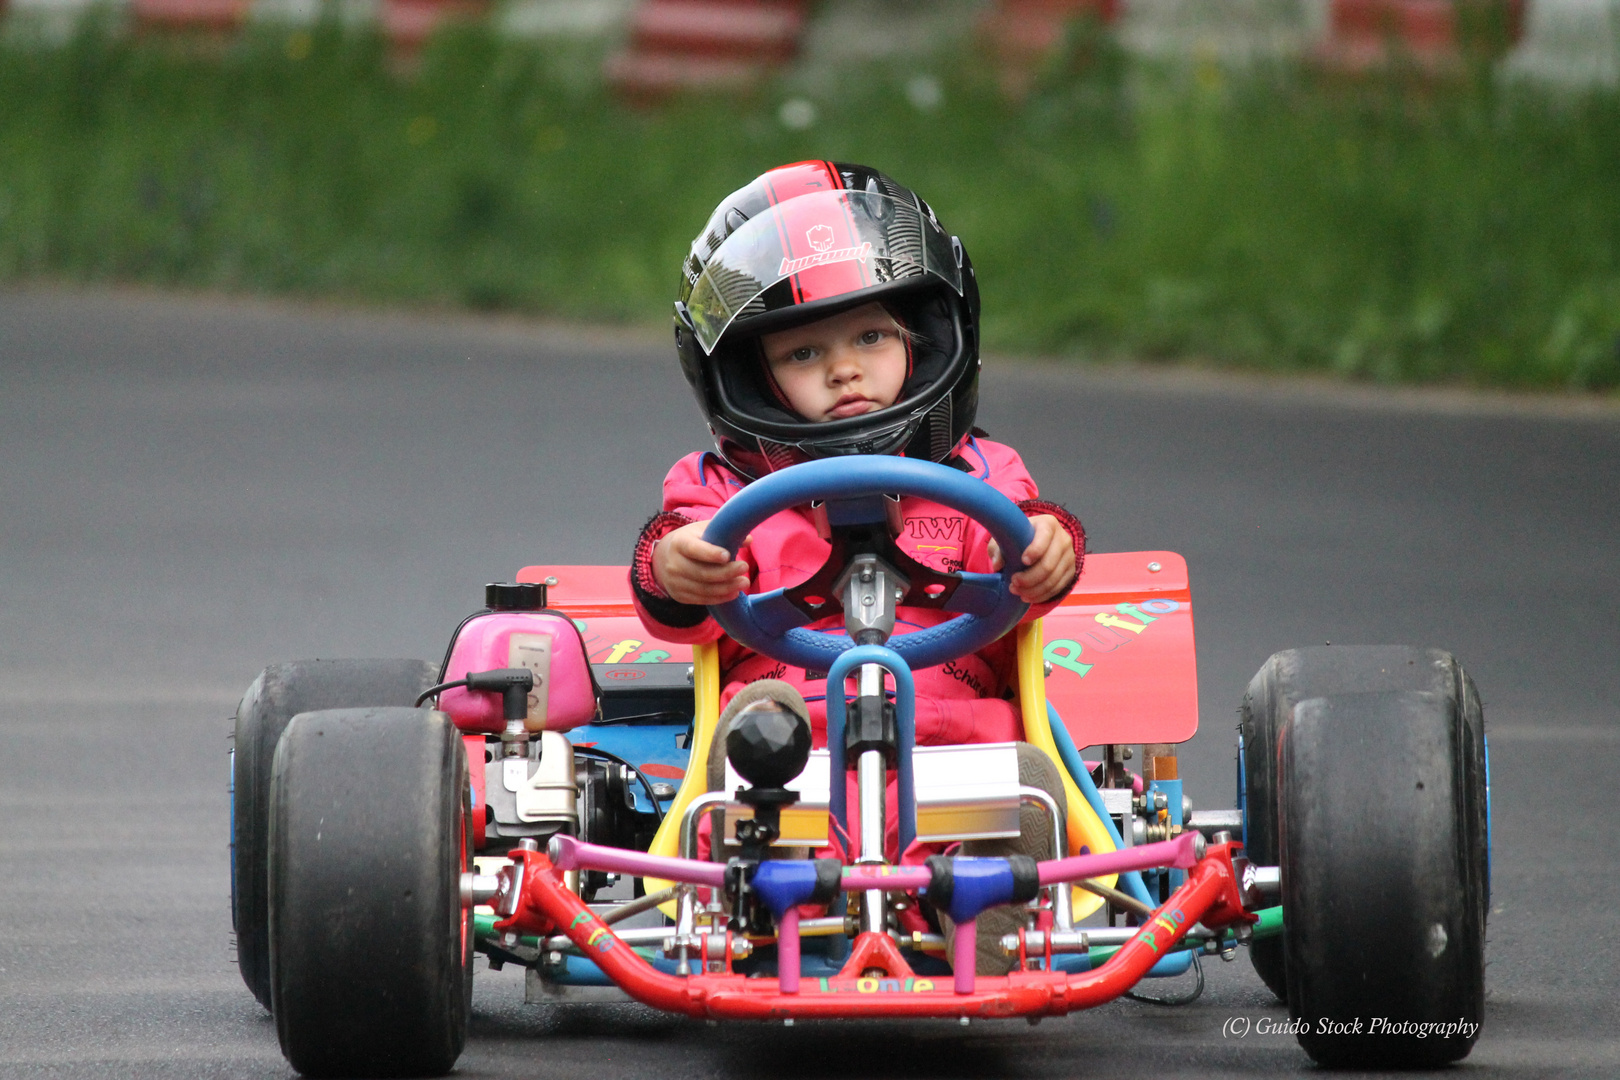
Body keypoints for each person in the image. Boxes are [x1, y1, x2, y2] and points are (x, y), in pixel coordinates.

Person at [629, 161, 1085, 973]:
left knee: (1024, 774)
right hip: (778, 749)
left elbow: (1029, 544)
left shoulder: (983, 475)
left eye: (871, 337)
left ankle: (994, 911)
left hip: (958, 743)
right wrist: (675, 567)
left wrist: (1049, 548)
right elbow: (674, 568)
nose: (844, 369)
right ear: (749, 377)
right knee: (746, 746)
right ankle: (769, 910)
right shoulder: (718, 490)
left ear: (928, 339)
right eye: (805, 351)